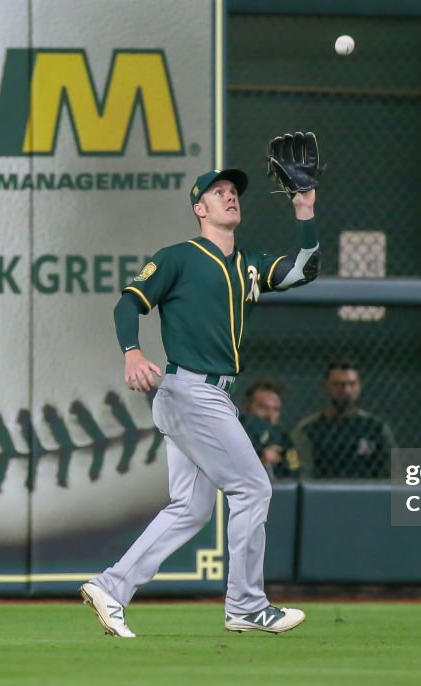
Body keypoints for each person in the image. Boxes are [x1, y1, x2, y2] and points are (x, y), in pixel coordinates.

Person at [80, 159, 320, 638]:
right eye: (218, 191)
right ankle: (247, 605)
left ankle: (111, 586)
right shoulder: (179, 257)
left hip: (211, 396)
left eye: (234, 191)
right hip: (190, 390)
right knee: (252, 488)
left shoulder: (248, 264)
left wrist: (305, 209)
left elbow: (303, 268)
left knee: (190, 509)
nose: (230, 196)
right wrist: (132, 353)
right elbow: (128, 301)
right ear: (199, 207)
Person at [292, 359, 396, 479]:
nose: (346, 390)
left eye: (352, 384)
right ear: (325, 387)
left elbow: (393, 470)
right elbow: (303, 474)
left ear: (359, 387)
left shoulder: (376, 428)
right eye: (338, 385)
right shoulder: (308, 430)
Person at [239, 379, 299, 480]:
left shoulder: (284, 438)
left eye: (275, 409)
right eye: (263, 407)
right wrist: (261, 461)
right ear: (247, 408)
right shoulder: (235, 434)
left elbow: (295, 470)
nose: (269, 415)